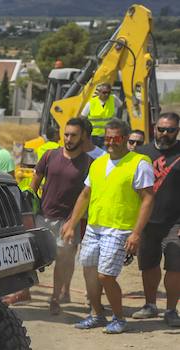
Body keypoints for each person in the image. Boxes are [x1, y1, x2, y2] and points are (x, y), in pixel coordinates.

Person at [62, 119, 155, 334]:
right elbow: (85, 195)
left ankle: (119, 318)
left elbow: (148, 199)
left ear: (125, 139)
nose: (111, 142)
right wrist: (71, 223)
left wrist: (136, 234)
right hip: (95, 227)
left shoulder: (139, 163)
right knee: (89, 272)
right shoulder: (98, 163)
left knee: (105, 275)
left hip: (120, 229)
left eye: (116, 138)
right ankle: (96, 314)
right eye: (108, 138)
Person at [28, 117, 94, 314]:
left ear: (83, 136)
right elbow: (35, 182)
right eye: (66, 134)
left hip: (68, 221)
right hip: (43, 216)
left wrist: (73, 222)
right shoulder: (50, 156)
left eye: (73, 135)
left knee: (64, 260)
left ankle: (56, 297)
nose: (68, 138)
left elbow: (86, 195)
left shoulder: (88, 163)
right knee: (30, 256)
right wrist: (30, 208)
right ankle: (24, 291)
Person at [130, 112, 180, 327]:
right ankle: (150, 305)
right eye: (161, 129)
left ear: (177, 131)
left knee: (175, 265)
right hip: (147, 221)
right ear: (154, 128)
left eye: (170, 130)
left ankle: (171, 310)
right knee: (148, 265)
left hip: (175, 222)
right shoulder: (141, 153)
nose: (165, 133)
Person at [81, 82, 123, 147]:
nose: (106, 94)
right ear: (99, 92)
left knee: (106, 155)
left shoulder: (113, 99)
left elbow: (121, 105)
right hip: (93, 136)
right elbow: (82, 118)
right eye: (104, 92)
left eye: (108, 93)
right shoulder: (91, 103)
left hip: (108, 135)